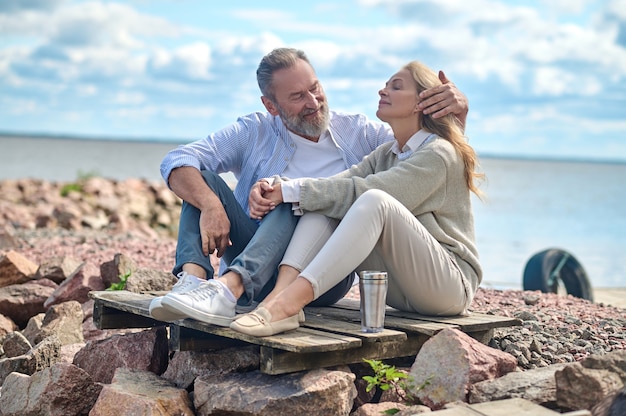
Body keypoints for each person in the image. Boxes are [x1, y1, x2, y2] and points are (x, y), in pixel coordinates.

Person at [150, 48, 469, 327]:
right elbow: (178, 159)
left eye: (315, 88)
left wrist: (457, 116)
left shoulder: (360, 133)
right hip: (249, 250)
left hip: (317, 274)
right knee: (200, 178)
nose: (313, 102)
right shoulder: (254, 131)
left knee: (296, 196)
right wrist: (211, 205)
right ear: (271, 106)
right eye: (297, 96)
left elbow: (424, 158)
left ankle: (230, 290)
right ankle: (193, 284)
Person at [229, 60, 484, 337]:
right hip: (401, 291)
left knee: (373, 200)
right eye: (385, 85)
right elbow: (335, 185)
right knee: (325, 203)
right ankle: (278, 298)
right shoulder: (386, 154)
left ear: (420, 103)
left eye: (396, 87)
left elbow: (369, 192)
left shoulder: (439, 153)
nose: (382, 91)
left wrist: (292, 192)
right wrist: (277, 185)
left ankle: (290, 303)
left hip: (448, 288)